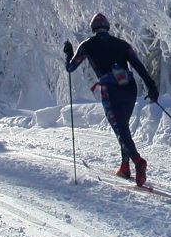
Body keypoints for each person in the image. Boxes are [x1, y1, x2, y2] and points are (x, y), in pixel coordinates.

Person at [64, 13, 159, 187]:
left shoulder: (86, 45)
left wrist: (68, 52)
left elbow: (71, 67)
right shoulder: (123, 45)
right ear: (108, 27)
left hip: (110, 90)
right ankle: (125, 167)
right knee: (123, 127)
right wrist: (152, 88)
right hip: (129, 87)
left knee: (120, 129)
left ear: (93, 28)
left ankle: (138, 161)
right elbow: (139, 66)